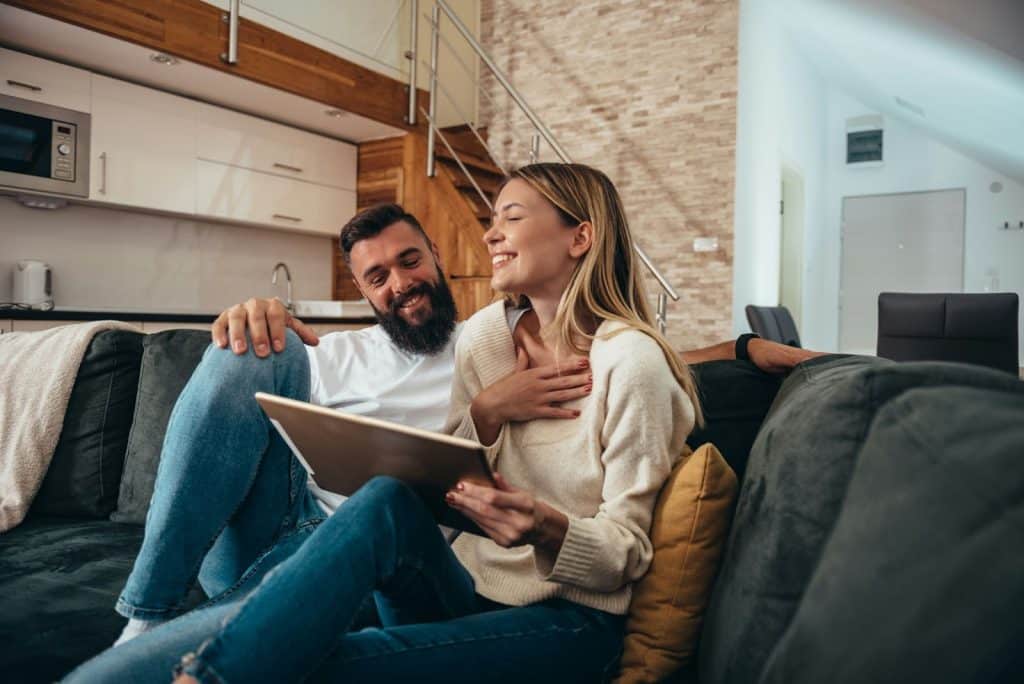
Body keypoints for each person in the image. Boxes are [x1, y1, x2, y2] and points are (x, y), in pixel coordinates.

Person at [63, 164, 811, 683]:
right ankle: (155, 618)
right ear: (362, 292)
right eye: (375, 278)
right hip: (449, 579)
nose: (489, 236)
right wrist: (486, 414)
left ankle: (215, 675)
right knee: (384, 495)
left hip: (570, 620)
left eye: (510, 218)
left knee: (295, 663)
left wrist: (546, 528)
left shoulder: (630, 365)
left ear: (579, 237)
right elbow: (445, 467)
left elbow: (626, 551)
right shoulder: (489, 340)